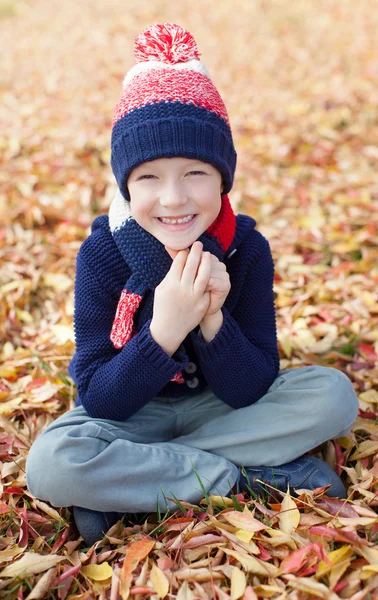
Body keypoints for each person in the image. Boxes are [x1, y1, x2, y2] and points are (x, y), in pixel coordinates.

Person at [26, 23, 359, 546]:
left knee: (334, 396)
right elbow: (98, 398)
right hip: (134, 415)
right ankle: (246, 477)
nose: (175, 199)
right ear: (126, 185)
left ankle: (137, 487)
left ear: (223, 178)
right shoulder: (103, 255)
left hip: (219, 408)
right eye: (149, 178)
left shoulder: (245, 249)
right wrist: (163, 329)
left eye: (196, 174)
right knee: (51, 464)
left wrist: (212, 322)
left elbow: (253, 385)